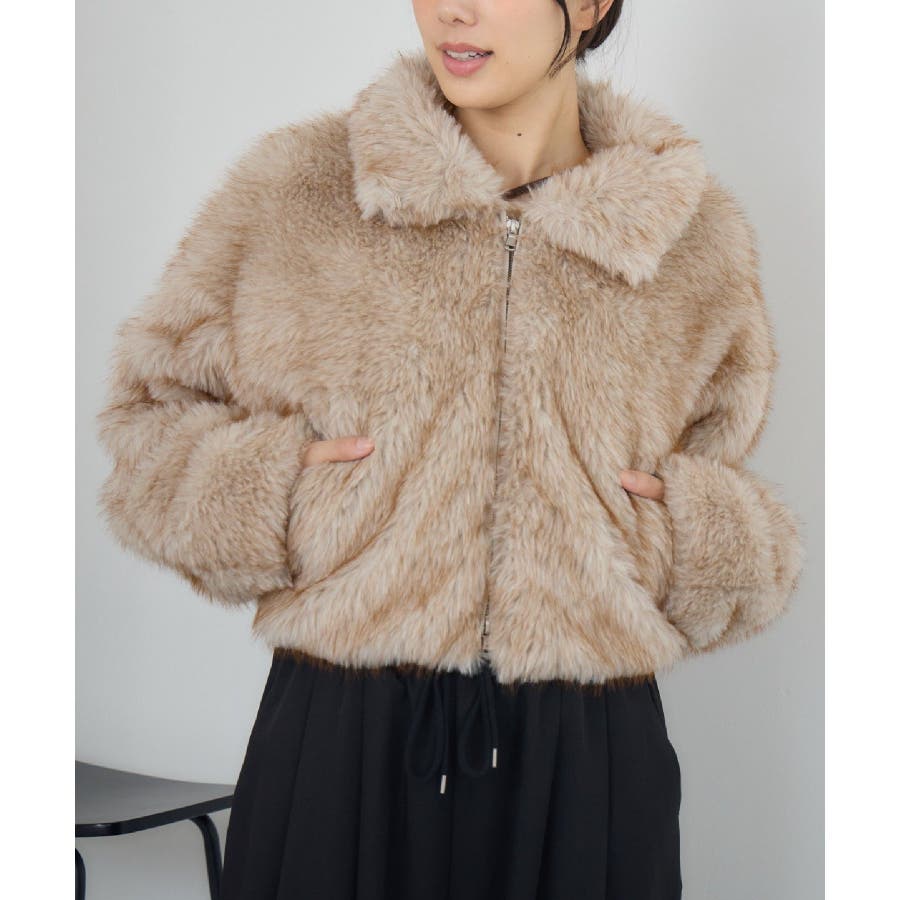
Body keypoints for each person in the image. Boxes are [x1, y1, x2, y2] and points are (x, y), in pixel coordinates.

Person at [94, 1, 806, 897]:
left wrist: (690, 532)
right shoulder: (301, 189)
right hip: (345, 736)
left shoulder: (691, 235)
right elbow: (148, 420)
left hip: (586, 752)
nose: (452, 10)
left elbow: (719, 481)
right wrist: (277, 490)